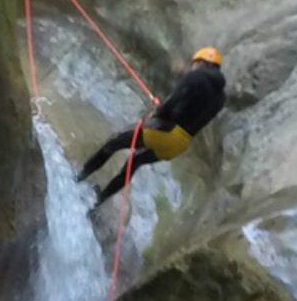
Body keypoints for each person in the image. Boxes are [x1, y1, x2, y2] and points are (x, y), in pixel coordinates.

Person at [76, 47, 226, 205]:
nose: (193, 67)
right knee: (134, 162)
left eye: (194, 63)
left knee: (113, 143)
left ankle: (79, 177)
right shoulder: (220, 98)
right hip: (180, 144)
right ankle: (98, 202)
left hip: (167, 131)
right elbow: (191, 112)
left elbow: (173, 102)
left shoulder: (196, 77)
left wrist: (157, 113)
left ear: (201, 62)